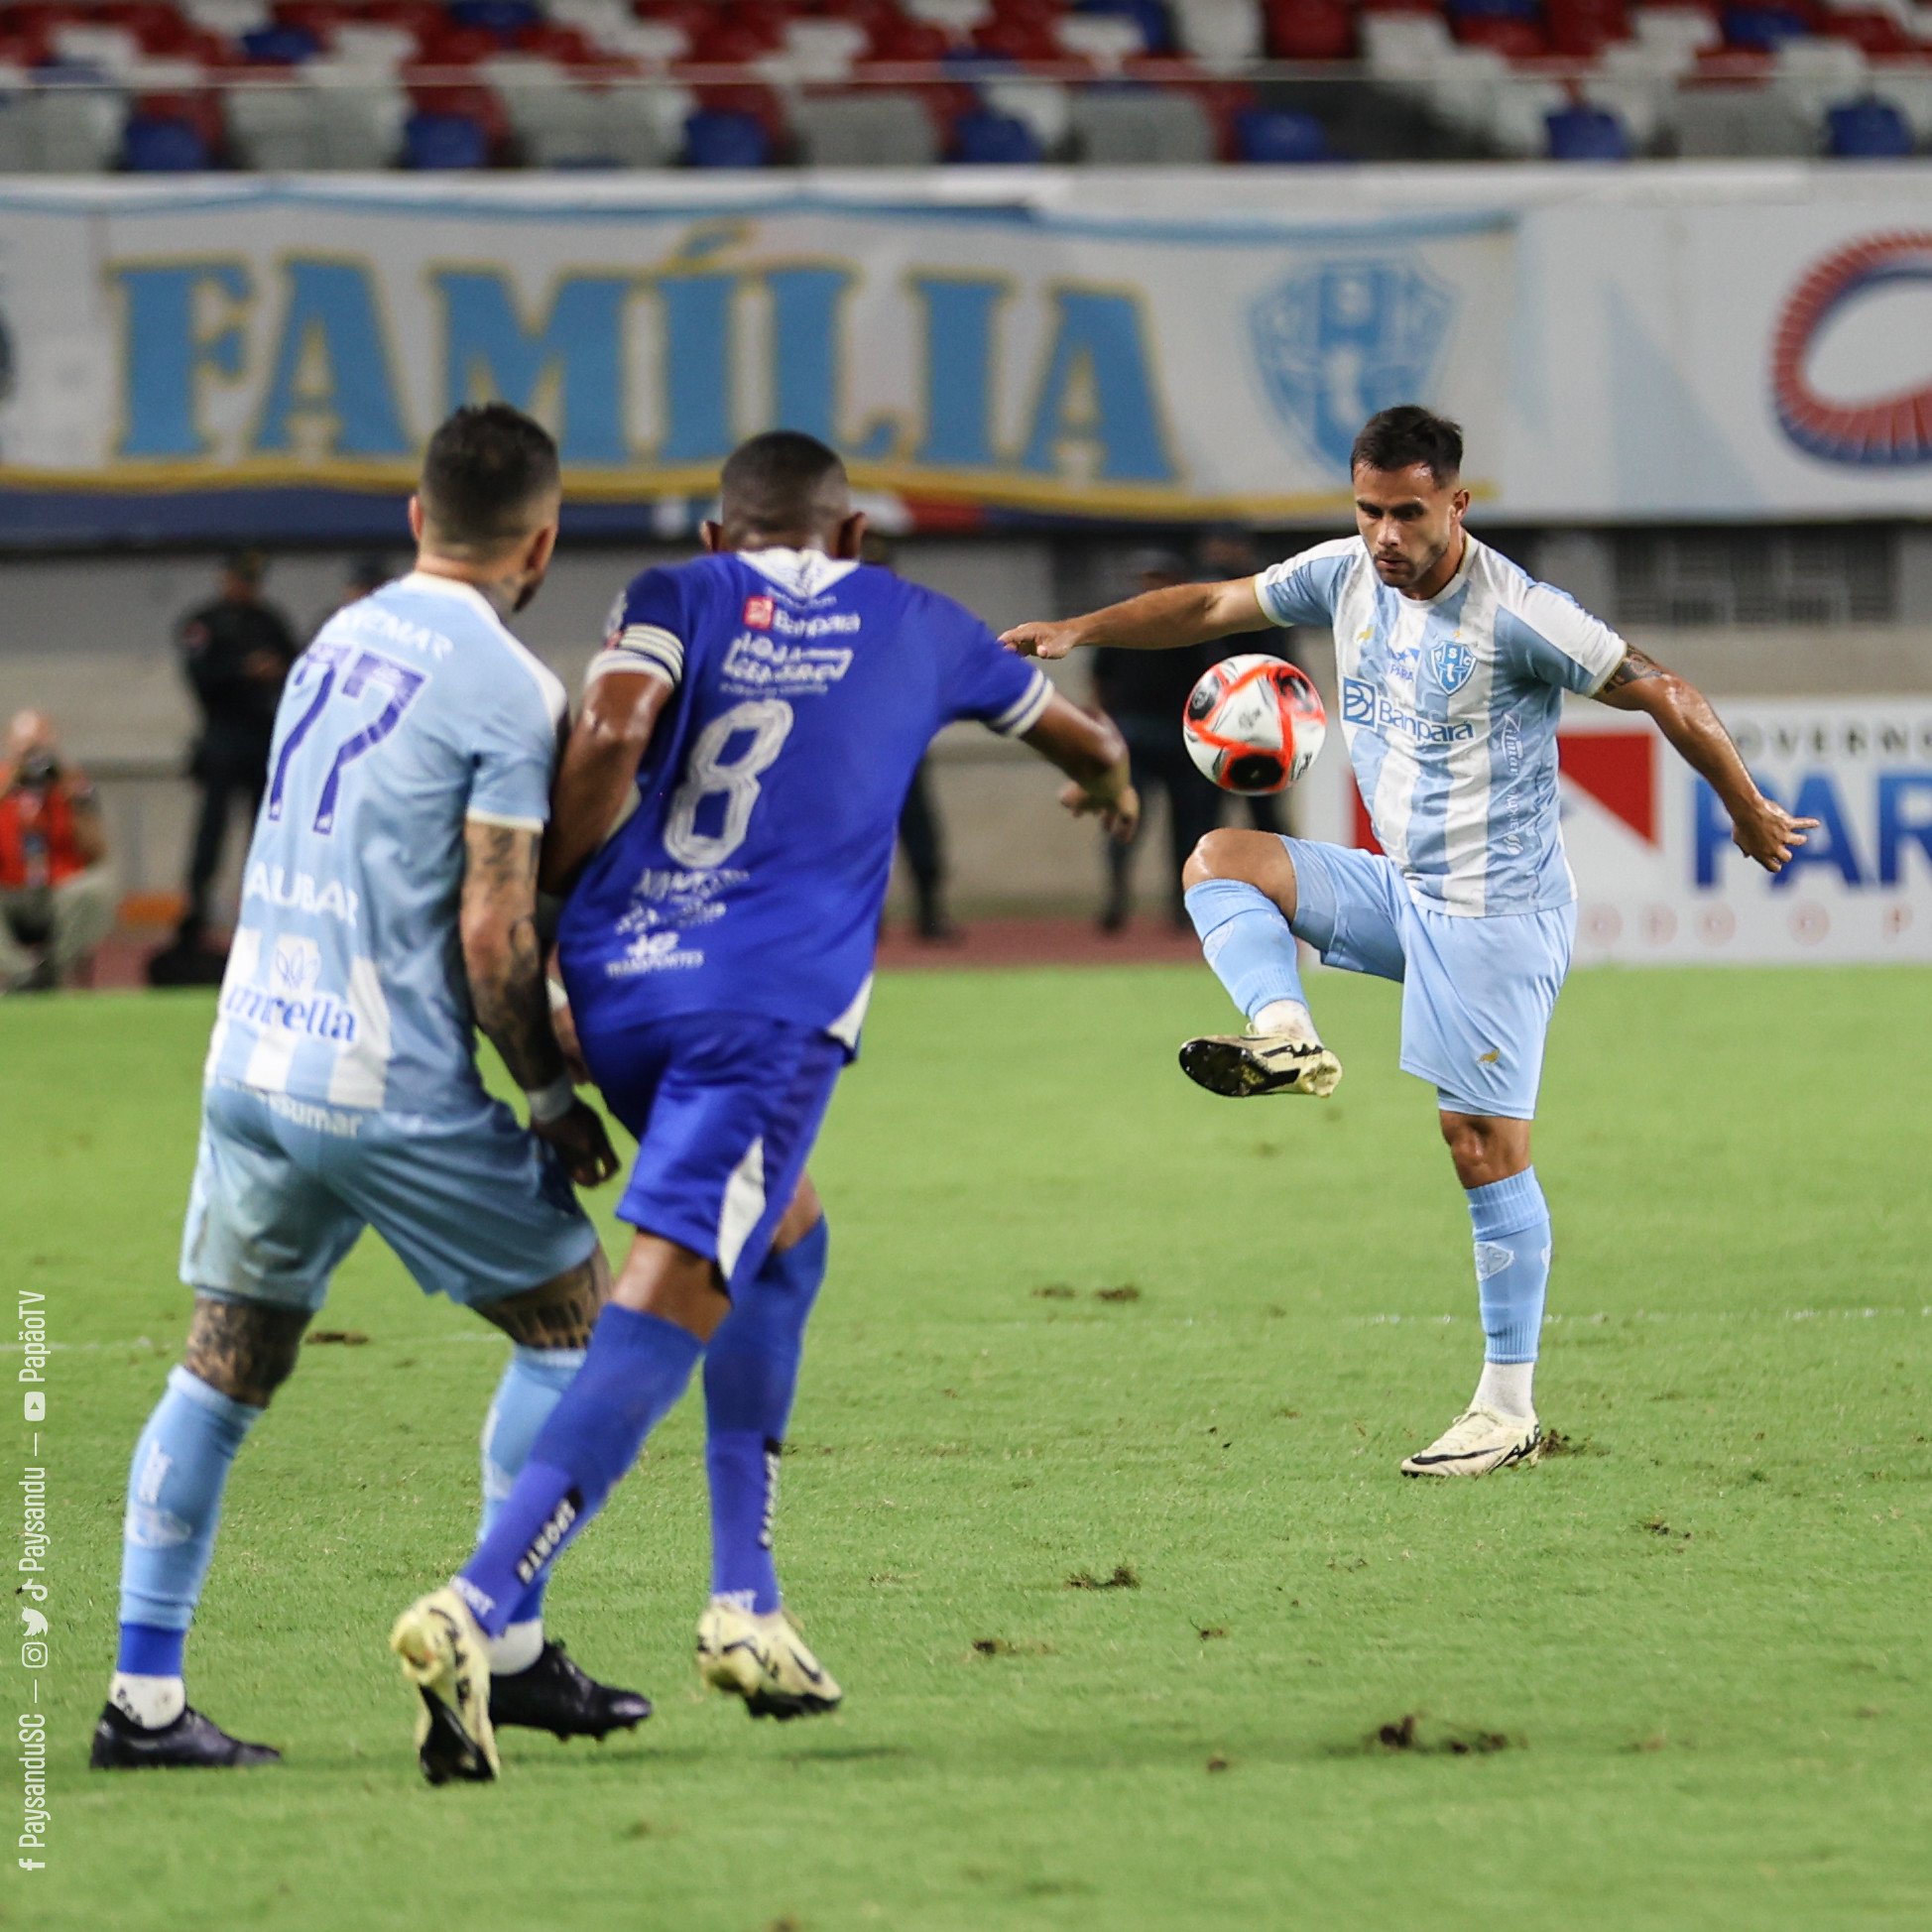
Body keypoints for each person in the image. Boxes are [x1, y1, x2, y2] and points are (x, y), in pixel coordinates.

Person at [388, 429, 1139, 1784]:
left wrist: (557, 892)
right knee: (674, 1283)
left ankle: (748, 1602)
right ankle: (479, 1601)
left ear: (724, 534)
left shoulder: (677, 595)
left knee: (785, 1243)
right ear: (853, 536)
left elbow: (612, 731)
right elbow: (1076, 731)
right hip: (765, 1015)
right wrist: (1110, 782)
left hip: (622, 990)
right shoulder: (921, 616)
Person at [1001, 405, 1816, 1479]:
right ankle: (1284, 1029)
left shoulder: (1519, 612)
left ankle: (1507, 1406)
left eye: (1408, 514)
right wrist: (1078, 630)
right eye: (1369, 510)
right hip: (1403, 888)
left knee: (1479, 1147)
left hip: (1495, 915)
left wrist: (1746, 805)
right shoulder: (1343, 573)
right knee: (1220, 860)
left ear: (1455, 505)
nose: (1386, 535)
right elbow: (1206, 602)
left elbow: (1663, 689)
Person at [93, 405, 646, 1774]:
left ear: (415, 519)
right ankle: (500, 1642)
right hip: (381, 1080)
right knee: (577, 1320)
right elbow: (492, 934)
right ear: (545, 539)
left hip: (252, 1061)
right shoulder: (512, 690)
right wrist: (549, 1100)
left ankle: (141, 1700)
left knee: (227, 1360)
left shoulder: (336, 636)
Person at [169, 551, 301, 956]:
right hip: (223, 738)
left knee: (267, 832)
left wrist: (273, 671)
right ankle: (196, 913)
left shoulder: (269, 621)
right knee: (211, 832)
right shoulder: (205, 622)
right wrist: (245, 671)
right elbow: (199, 676)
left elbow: (297, 666)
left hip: (264, 740)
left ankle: (265, 909)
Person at [1090, 548, 1223, 931]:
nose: (1151, 586)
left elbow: (1213, 680)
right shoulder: (1120, 625)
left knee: (1190, 828)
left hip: (1183, 737)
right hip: (1132, 733)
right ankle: (1116, 900)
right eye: (1146, 578)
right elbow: (1100, 678)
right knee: (1123, 821)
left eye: (1159, 578)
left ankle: (1184, 906)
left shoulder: (1194, 627)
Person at [862, 532, 956, 941]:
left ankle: (930, 915)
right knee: (861, 843)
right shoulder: (832, 620)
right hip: (853, 750)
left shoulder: (908, 621)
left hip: (901, 743)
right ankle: (866, 925)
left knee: (920, 835)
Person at [0, 710, 115, 992]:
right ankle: (22, 974)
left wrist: (69, 794)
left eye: (38, 744)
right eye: (26, 745)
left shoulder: (72, 784)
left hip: (58, 890)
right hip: (10, 889)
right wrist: (12, 783)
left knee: (97, 888)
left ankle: (50, 973)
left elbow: (96, 849)